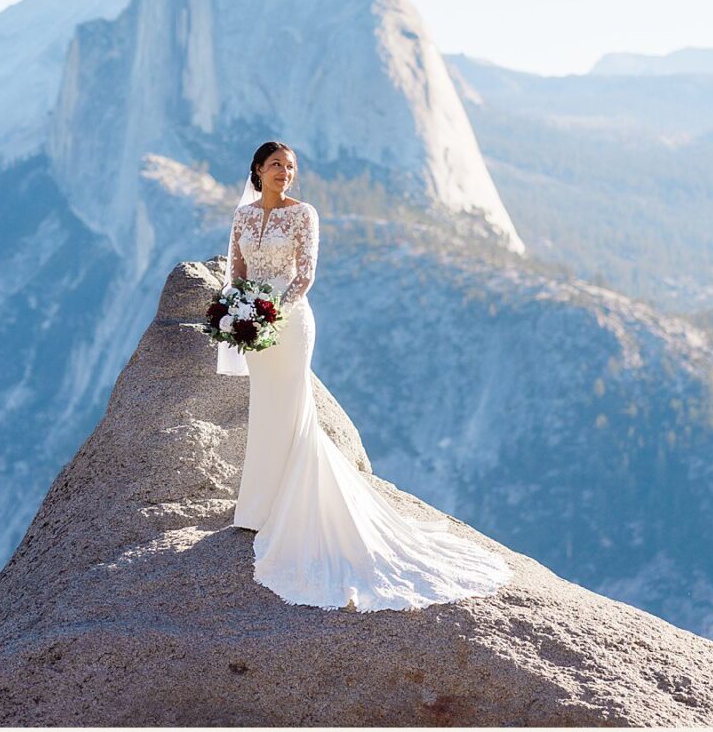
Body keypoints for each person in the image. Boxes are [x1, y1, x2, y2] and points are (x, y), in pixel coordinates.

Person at [219, 140, 512, 612]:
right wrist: (237, 308)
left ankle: (294, 510)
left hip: (288, 322)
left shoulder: (304, 214)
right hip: (253, 320)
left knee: (292, 408)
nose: (285, 173)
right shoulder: (244, 216)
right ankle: (259, 507)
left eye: (291, 167)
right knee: (266, 408)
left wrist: (271, 312)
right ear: (256, 169)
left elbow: (305, 275)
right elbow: (235, 268)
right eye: (276, 166)